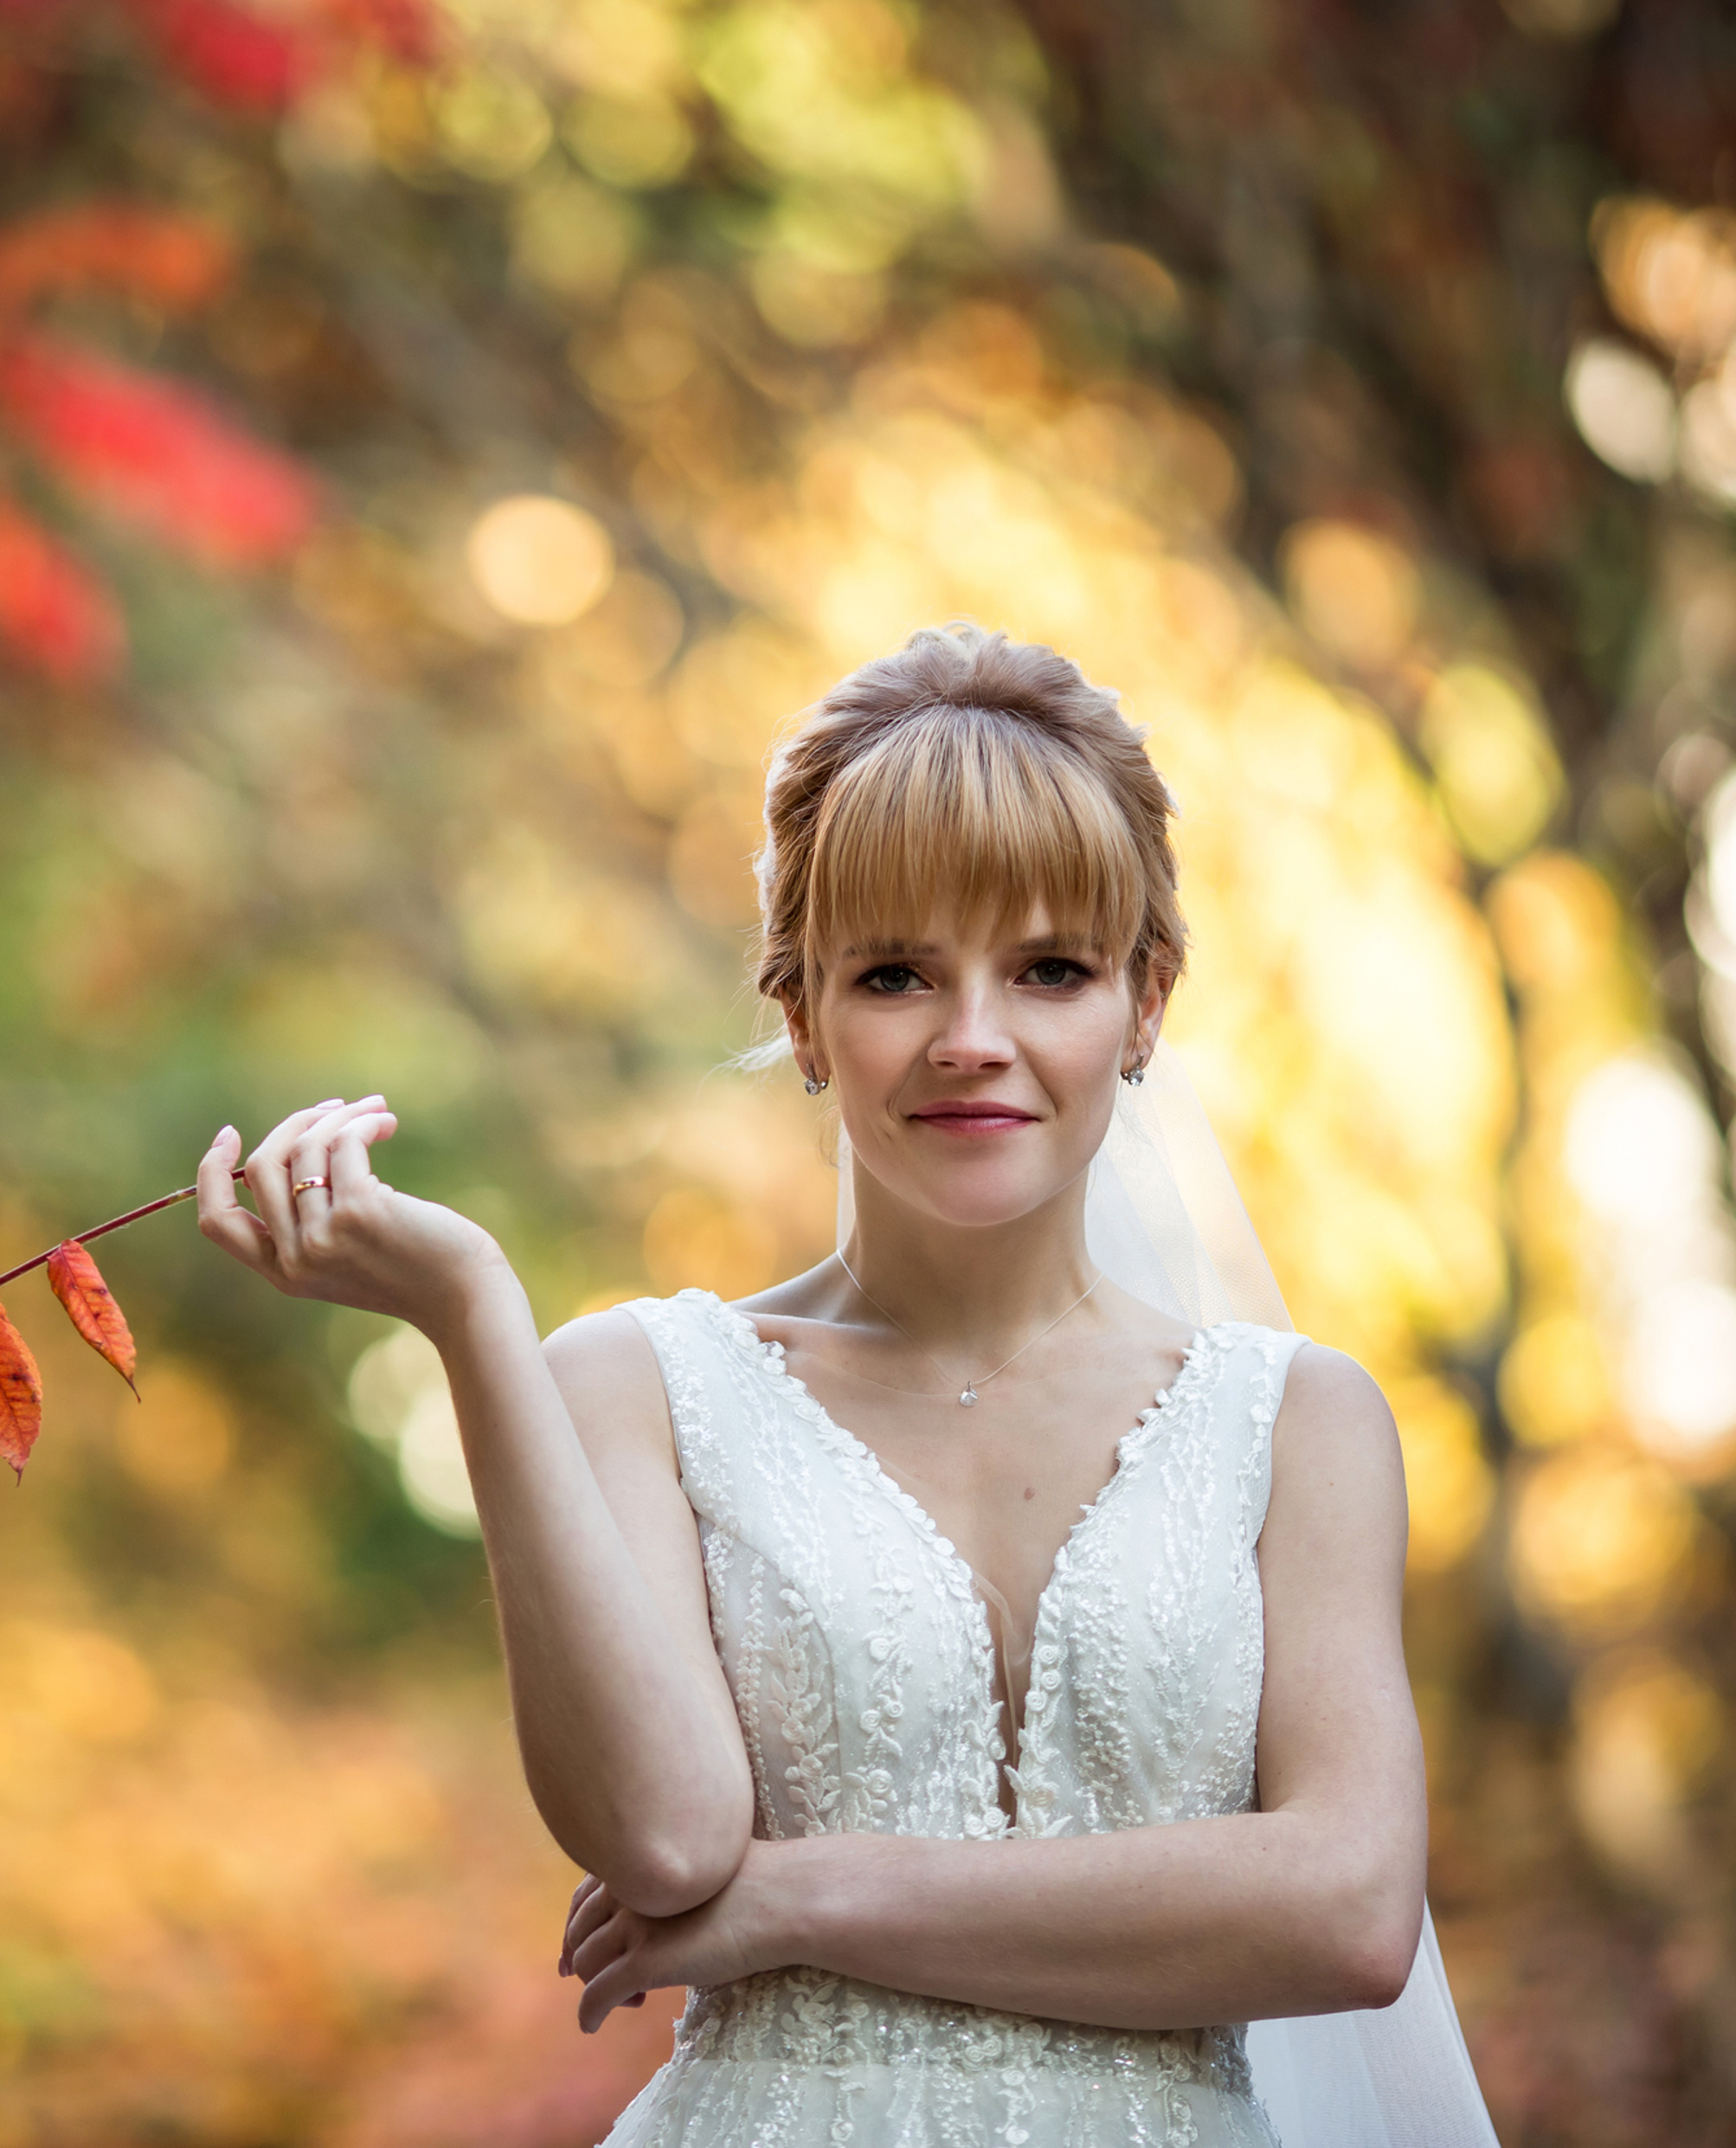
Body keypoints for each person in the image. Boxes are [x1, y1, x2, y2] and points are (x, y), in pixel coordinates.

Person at [194, 623, 1500, 2146]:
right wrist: (472, 1314)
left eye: (1050, 970)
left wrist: (801, 1897)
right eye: (894, 973)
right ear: (803, 1014)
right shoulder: (635, 1386)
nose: (971, 1040)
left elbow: (1347, 1912)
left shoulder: (1302, 1420)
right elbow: (672, 1841)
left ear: (1145, 1004)